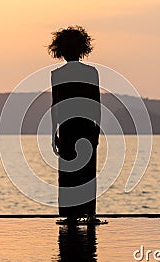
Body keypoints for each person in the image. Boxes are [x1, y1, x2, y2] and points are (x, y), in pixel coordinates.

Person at [48, 26, 101, 224]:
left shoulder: (57, 74)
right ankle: (89, 213)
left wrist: (54, 131)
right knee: (87, 171)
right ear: (82, 49)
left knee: (69, 172)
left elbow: (56, 106)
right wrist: (97, 128)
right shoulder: (91, 72)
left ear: (60, 50)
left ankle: (70, 215)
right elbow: (96, 103)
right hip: (86, 125)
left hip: (68, 126)